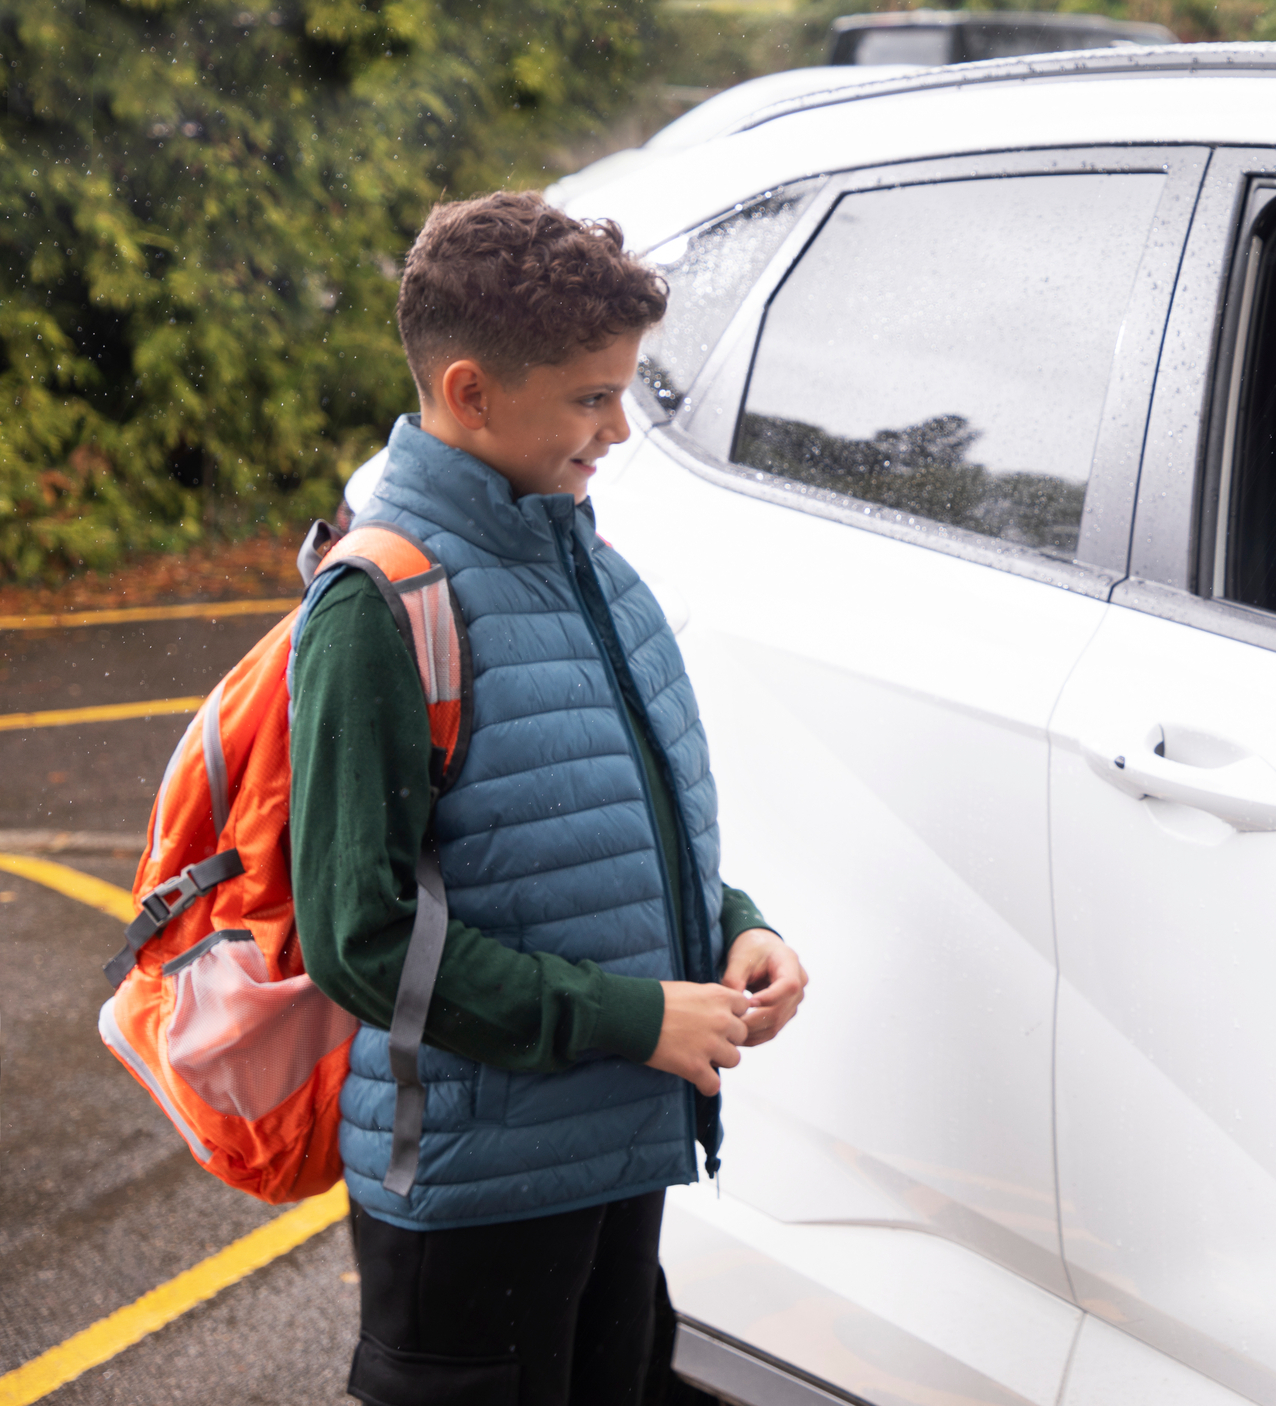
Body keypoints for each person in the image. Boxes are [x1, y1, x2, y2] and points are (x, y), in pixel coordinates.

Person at [292, 191, 809, 1406]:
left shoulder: (579, 555)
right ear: (472, 392)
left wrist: (736, 921)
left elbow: (603, 821)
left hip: (612, 1147)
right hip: (476, 1195)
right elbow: (361, 941)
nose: (621, 428)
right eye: (591, 397)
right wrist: (635, 1019)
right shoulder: (382, 605)